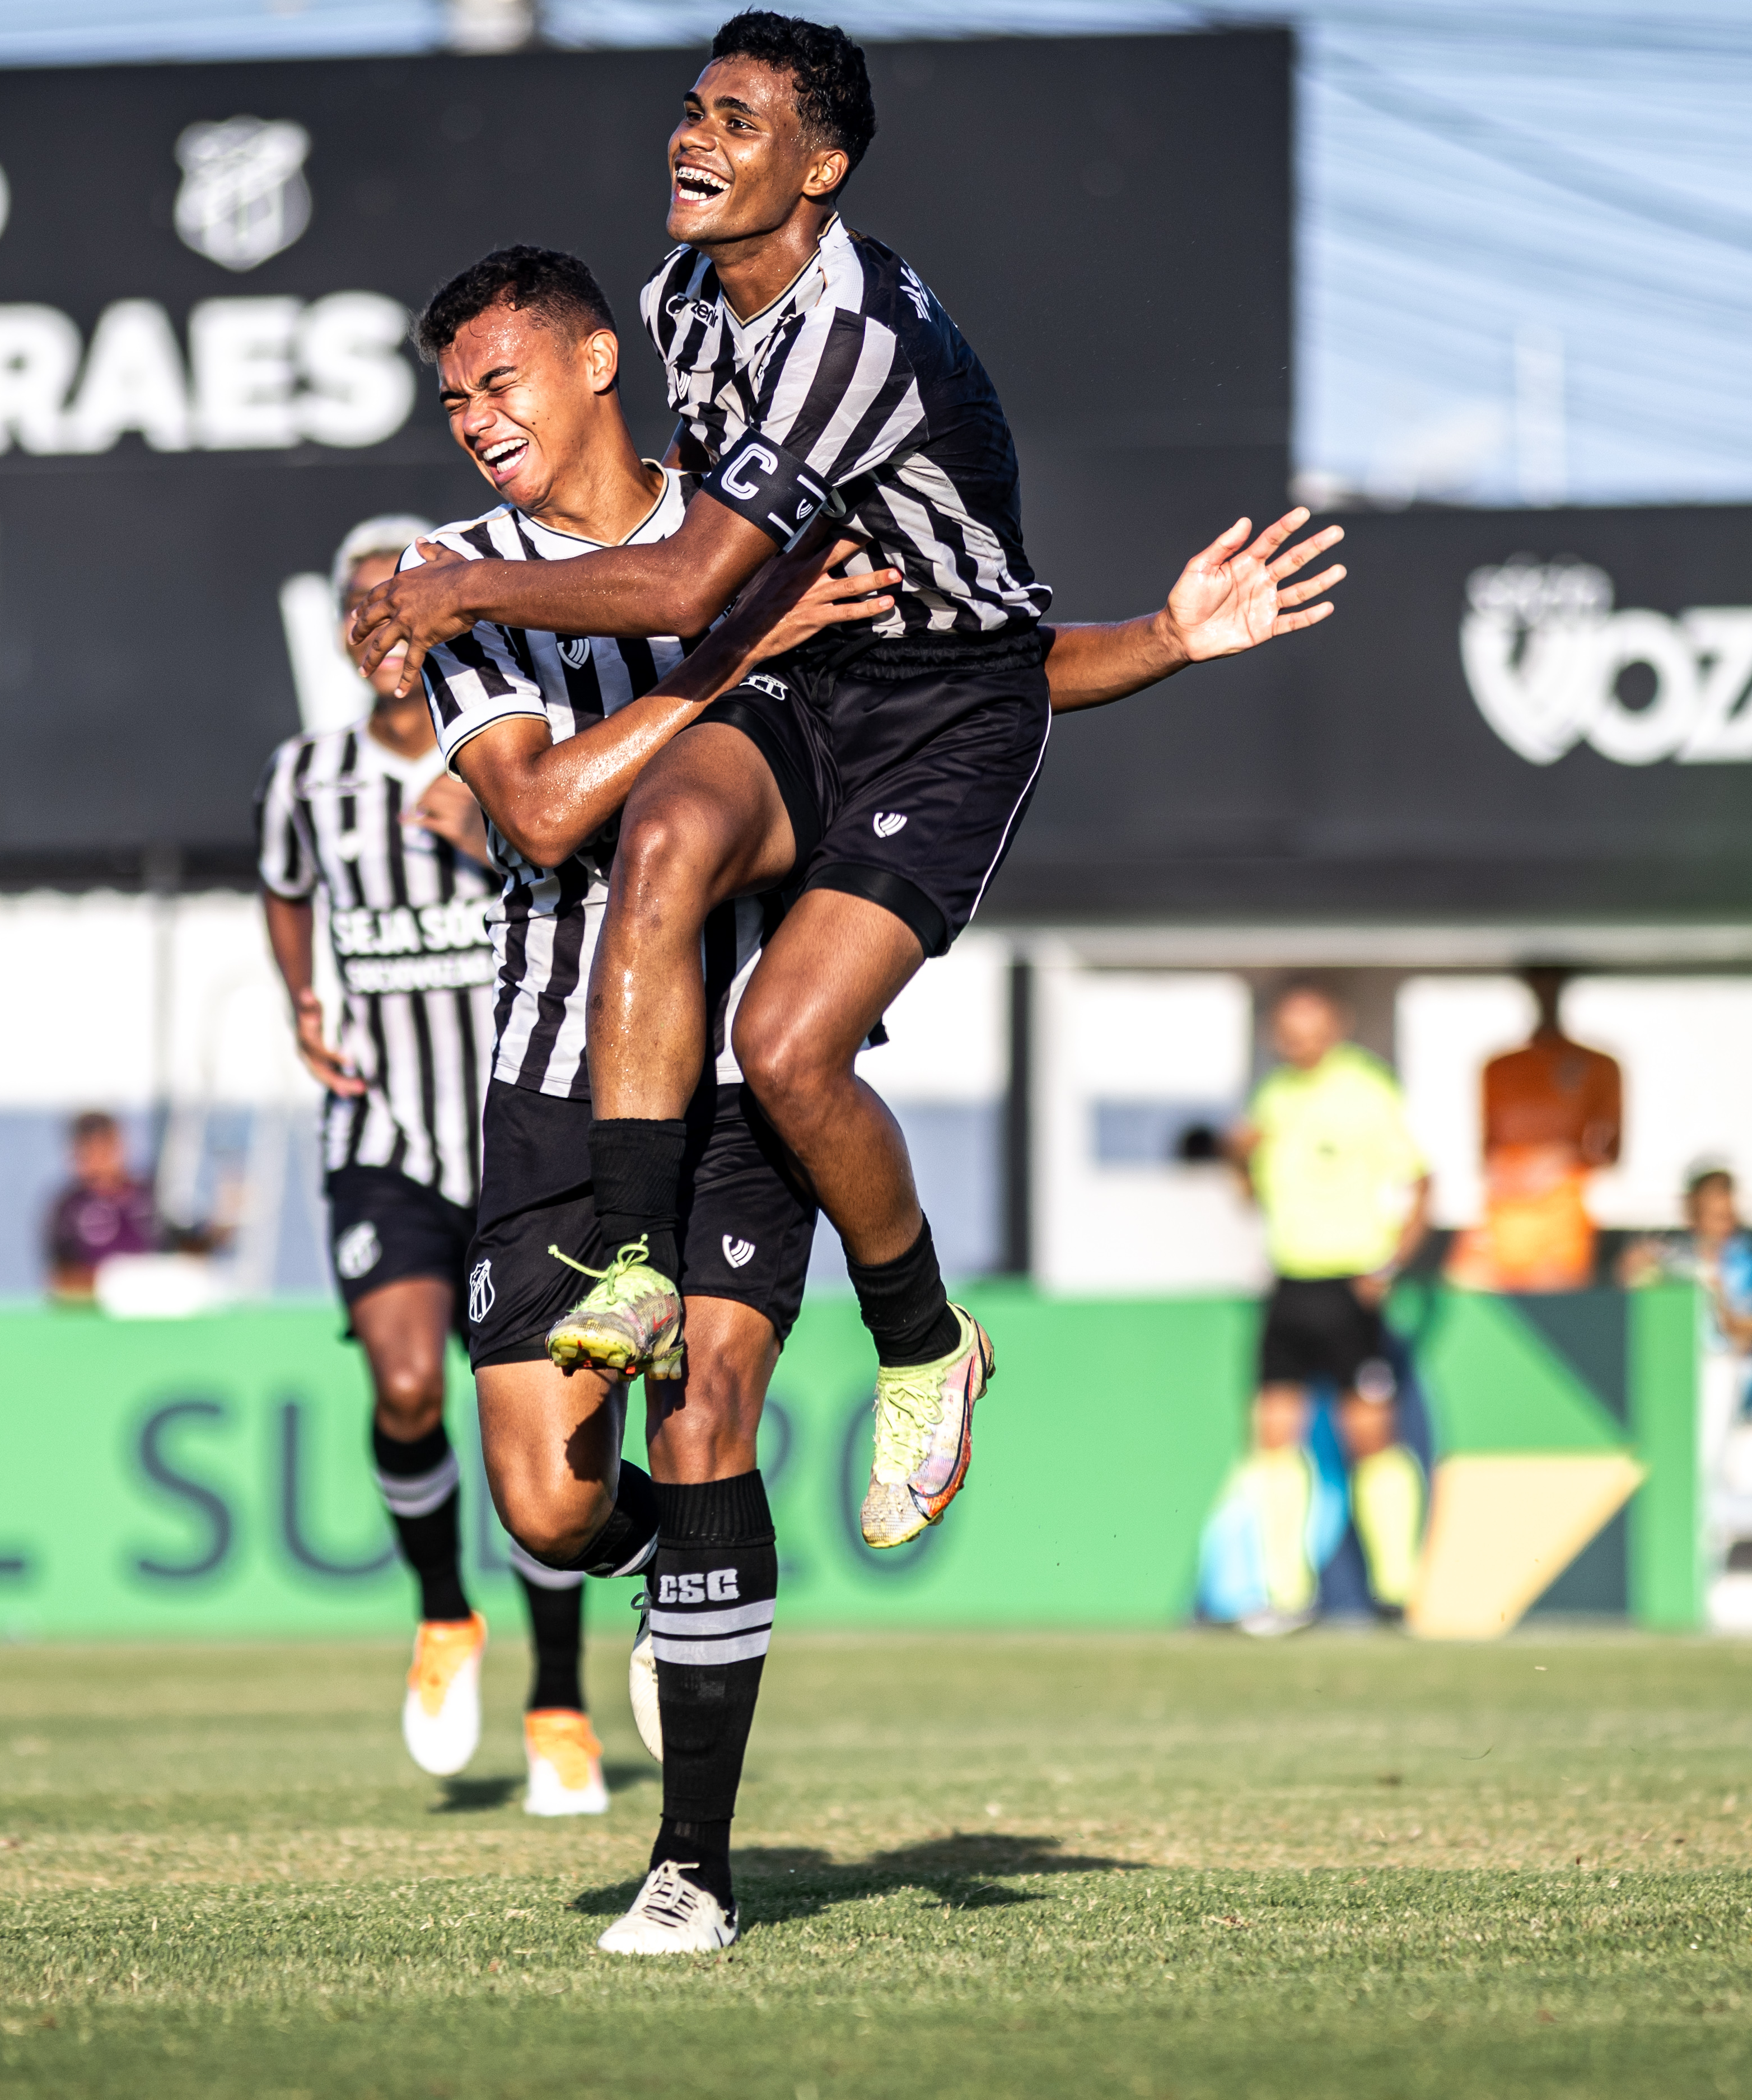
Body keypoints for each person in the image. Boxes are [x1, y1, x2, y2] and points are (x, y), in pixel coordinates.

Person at [399, 241, 1340, 1954]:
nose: (474, 419)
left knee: (709, 1423)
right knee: (547, 1500)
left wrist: (1168, 640)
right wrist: (722, 648)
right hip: (555, 1075)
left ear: (599, 359)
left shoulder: (762, 505)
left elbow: (977, 672)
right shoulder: (460, 574)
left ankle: (693, 1861)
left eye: (502, 378)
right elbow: (538, 820)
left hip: (733, 1095)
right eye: (452, 395)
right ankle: (663, 1575)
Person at [355, 18, 1316, 1579]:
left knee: (786, 1044)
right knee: (665, 828)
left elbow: (700, 582)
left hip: (947, 718)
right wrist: (487, 586)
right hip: (826, 678)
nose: (696, 138)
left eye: (738, 120)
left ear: (820, 168)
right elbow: (697, 606)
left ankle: (924, 1344)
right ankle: (629, 1263)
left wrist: (460, 586)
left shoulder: (849, 335)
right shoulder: (681, 299)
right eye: (690, 108)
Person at [256, 514, 603, 1818]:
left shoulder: (512, 755)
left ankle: (559, 1701)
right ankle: (444, 1612)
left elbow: (596, 873)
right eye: (363, 604)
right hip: (385, 1137)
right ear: (349, 636)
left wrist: (507, 833)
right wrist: (302, 998)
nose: (383, 621)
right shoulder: (303, 780)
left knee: (548, 1455)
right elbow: (285, 887)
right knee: (407, 1382)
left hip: (520, 1138)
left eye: (403, 597)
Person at [1221, 983, 1431, 1633]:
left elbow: (1420, 1182)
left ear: (1335, 1027)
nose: (1297, 1042)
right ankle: (1287, 1592)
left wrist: (1389, 1265)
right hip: (1288, 1282)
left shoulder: (1366, 1091)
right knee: (1273, 1434)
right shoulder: (1273, 1096)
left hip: (1349, 1284)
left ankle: (1396, 1590)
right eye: (1287, 1030)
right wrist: (1238, 1162)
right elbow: (1249, 1185)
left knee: (1369, 1435)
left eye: (1308, 1028)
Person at [1445, 967, 1622, 1293]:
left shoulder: (1598, 1065)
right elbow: (1487, 1151)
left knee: (1552, 1314)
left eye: (1552, 987)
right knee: (1466, 1293)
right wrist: (1509, 1172)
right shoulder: (1499, 1067)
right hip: (1504, 1214)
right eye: (1539, 987)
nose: (1545, 997)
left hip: (1560, 1218)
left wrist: (1562, 1160)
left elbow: (1611, 1151)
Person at [1622, 1161, 1752, 1397]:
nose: (1727, 1226)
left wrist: (1719, 1301)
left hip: (1741, 1392)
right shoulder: (1674, 1263)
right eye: (1717, 1217)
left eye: (1731, 1216)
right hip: (1678, 1392)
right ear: (1693, 1216)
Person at [41, 1111, 214, 1303]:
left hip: (156, 1306)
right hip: (100, 1313)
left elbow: (190, 1248)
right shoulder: (68, 1209)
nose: (100, 1159)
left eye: (106, 1148)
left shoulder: (152, 1195)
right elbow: (61, 1282)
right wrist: (113, 1283)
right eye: (90, 1150)